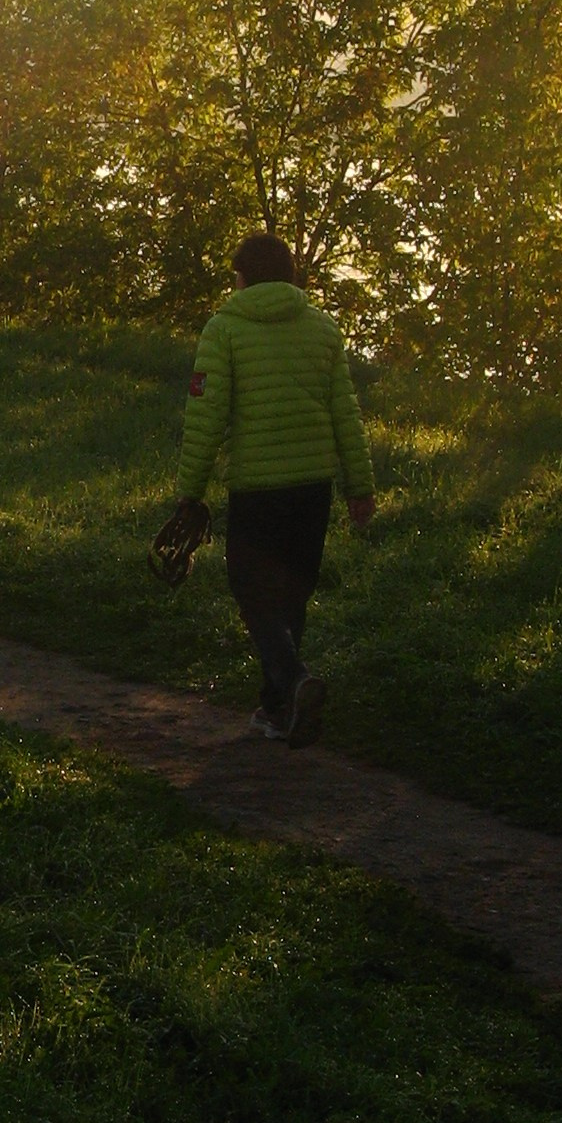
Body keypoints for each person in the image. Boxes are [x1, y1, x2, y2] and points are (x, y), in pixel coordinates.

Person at [167, 232, 374, 747]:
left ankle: (294, 681)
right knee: (292, 593)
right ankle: (278, 709)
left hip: (258, 487)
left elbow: (206, 416)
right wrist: (360, 486)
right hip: (313, 488)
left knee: (251, 588)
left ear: (244, 276)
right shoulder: (324, 329)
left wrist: (190, 492)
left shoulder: (225, 329)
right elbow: (345, 413)